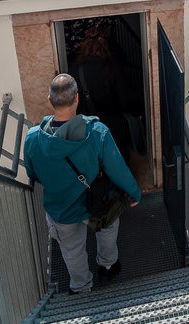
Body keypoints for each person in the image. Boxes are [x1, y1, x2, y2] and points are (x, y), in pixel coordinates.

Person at [24, 73, 141, 294]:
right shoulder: (97, 132)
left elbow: (33, 173)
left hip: (60, 208)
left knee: (71, 250)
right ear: (77, 98)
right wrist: (134, 192)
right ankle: (107, 266)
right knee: (107, 226)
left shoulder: (32, 138)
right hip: (97, 202)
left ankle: (81, 287)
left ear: (50, 101)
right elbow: (117, 170)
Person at [71, 26, 145, 164]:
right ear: (106, 46)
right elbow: (128, 100)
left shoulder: (75, 71)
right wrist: (138, 113)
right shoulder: (113, 69)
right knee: (119, 163)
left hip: (86, 130)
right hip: (114, 128)